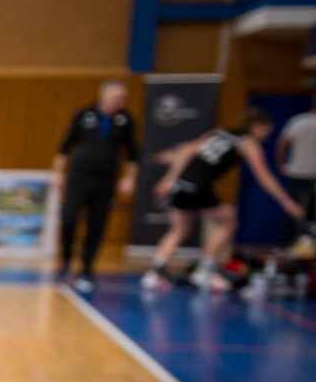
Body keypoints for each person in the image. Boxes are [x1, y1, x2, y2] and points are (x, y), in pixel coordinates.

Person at [142, 109, 303, 293]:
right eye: (266, 131)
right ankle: (204, 269)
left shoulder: (219, 132)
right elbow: (264, 178)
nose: (266, 136)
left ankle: (155, 273)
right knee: (229, 220)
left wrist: (169, 179)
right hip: (199, 185)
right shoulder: (248, 143)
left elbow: (185, 150)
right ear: (257, 127)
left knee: (179, 229)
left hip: (181, 183)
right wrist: (287, 203)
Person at [51, 79, 139, 292]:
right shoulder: (84, 114)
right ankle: (65, 263)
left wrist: (129, 178)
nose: (119, 100)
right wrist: (58, 173)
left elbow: (133, 154)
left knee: (97, 225)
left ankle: (87, 269)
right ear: (103, 95)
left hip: (105, 181)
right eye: (116, 96)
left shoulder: (126, 120)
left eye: (122, 97)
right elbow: (64, 147)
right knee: (69, 219)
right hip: (78, 178)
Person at [275, 101, 316, 222]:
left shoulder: (297, 121)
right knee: (311, 212)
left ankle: (298, 231)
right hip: (311, 173)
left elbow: (281, 145)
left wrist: (281, 164)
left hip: (295, 172)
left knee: (295, 209)